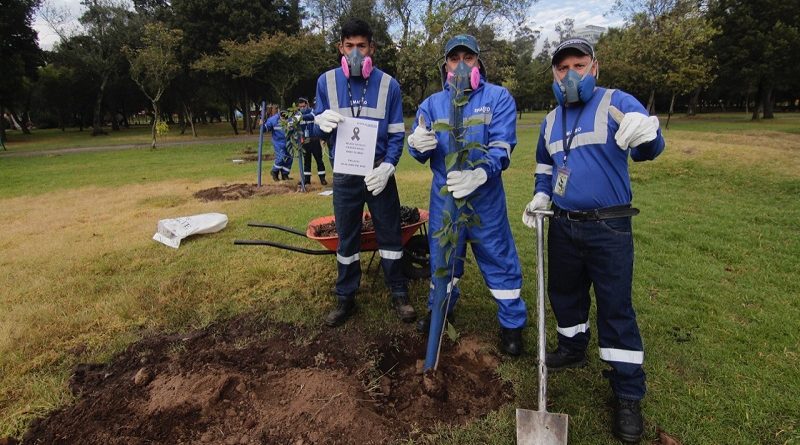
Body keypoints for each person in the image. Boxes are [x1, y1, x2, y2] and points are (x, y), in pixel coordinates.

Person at [522, 37, 665, 443]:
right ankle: (572, 345)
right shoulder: (550, 120)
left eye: (579, 66)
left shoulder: (618, 102)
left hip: (609, 227)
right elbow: (544, 165)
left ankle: (627, 392)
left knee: (616, 306)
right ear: (554, 73)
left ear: (595, 67)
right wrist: (541, 194)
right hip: (563, 225)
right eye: (562, 68)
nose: (571, 75)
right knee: (565, 294)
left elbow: (650, 147)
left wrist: (649, 136)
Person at [407, 34, 526, 356]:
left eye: (468, 58)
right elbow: (419, 144)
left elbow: (503, 144)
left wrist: (481, 172)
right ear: (445, 64)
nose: (461, 65)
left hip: (484, 196)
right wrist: (415, 144)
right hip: (445, 196)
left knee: (498, 257)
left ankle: (512, 325)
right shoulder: (432, 104)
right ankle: (440, 310)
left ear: (478, 61)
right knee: (443, 256)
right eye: (454, 58)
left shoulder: (498, 98)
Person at [310, 18, 415, 327]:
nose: (355, 52)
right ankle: (345, 297)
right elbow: (319, 125)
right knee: (347, 237)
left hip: (378, 173)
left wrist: (388, 166)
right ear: (341, 48)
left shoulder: (389, 85)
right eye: (349, 46)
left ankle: (398, 292)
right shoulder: (326, 82)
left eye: (362, 46)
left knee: (390, 233)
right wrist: (319, 123)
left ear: (373, 48)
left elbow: (397, 134)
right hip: (345, 174)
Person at [296, 97, 328, 185]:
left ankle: (322, 179)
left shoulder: (313, 111)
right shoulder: (297, 115)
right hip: (305, 141)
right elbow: (293, 124)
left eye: (303, 106)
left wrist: (301, 117)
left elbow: (312, 116)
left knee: (319, 160)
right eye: (300, 107)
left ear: (307, 104)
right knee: (307, 161)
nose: (302, 108)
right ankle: (306, 180)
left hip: (315, 140)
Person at [264, 109, 293, 181]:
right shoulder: (273, 120)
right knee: (281, 157)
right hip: (278, 142)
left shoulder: (291, 119)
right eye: (283, 119)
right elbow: (265, 129)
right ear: (280, 116)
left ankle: (285, 174)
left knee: (289, 158)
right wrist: (262, 125)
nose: (285, 121)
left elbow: (294, 130)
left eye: (286, 119)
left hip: (289, 141)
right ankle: (274, 172)